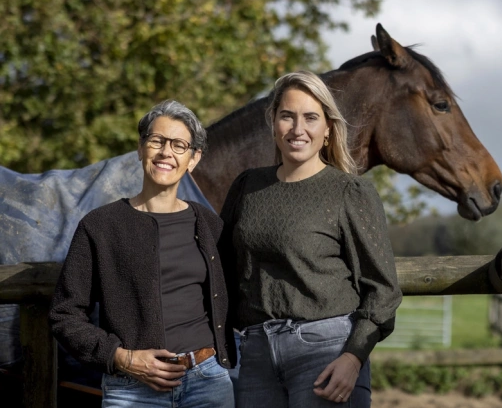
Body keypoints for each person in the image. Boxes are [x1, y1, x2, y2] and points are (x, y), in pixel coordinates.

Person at [218, 70, 402, 407]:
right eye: (287, 116)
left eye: (311, 118)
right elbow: (220, 267)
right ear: (273, 122)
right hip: (255, 352)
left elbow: (383, 290)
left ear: (328, 128)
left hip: (327, 352)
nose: (297, 128)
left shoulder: (350, 191)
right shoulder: (247, 186)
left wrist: (354, 357)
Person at [49, 100, 236, 407]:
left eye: (179, 145)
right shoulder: (101, 225)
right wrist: (121, 357)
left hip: (207, 383)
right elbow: (64, 314)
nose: (166, 153)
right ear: (140, 149)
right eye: (157, 141)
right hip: (131, 388)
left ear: (193, 158)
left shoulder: (209, 224)